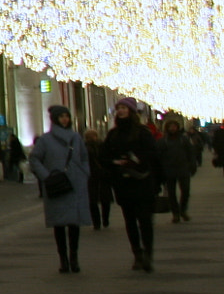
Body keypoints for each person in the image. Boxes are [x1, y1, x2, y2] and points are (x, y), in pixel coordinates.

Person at [104, 100, 163, 272]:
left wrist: (135, 160)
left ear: (131, 111)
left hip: (142, 181)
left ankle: (148, 254)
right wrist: (116, 162)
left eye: (124, 108)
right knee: (130, 221)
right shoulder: (113, 134)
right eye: (119, 109)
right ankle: (137, 253)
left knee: (145, 220)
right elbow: (105, 157)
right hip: (123, 183)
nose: (121, 111)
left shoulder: (142, 132)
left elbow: (152, 154)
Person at [29, 106, 90, 273]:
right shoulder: (45, 140)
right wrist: (46, 176)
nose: (65, 119)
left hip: (75, 185)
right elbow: (34, 159)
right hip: (56, 185)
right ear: (55, 119)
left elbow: (84, 157)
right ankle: (63, 259)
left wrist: (84, 173)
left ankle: (74, 257)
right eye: (61, 117)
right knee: (60, 225)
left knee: (74, 224)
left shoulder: (76, 138)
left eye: (66, 116)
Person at [84, 128, 115, 230]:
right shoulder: (101, 146)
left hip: (95, 175)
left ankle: (100, 221)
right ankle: (101, 220)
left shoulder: (90, 147)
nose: (92, 138)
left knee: (97, 200)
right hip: (98, 175)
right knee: (98, 200)